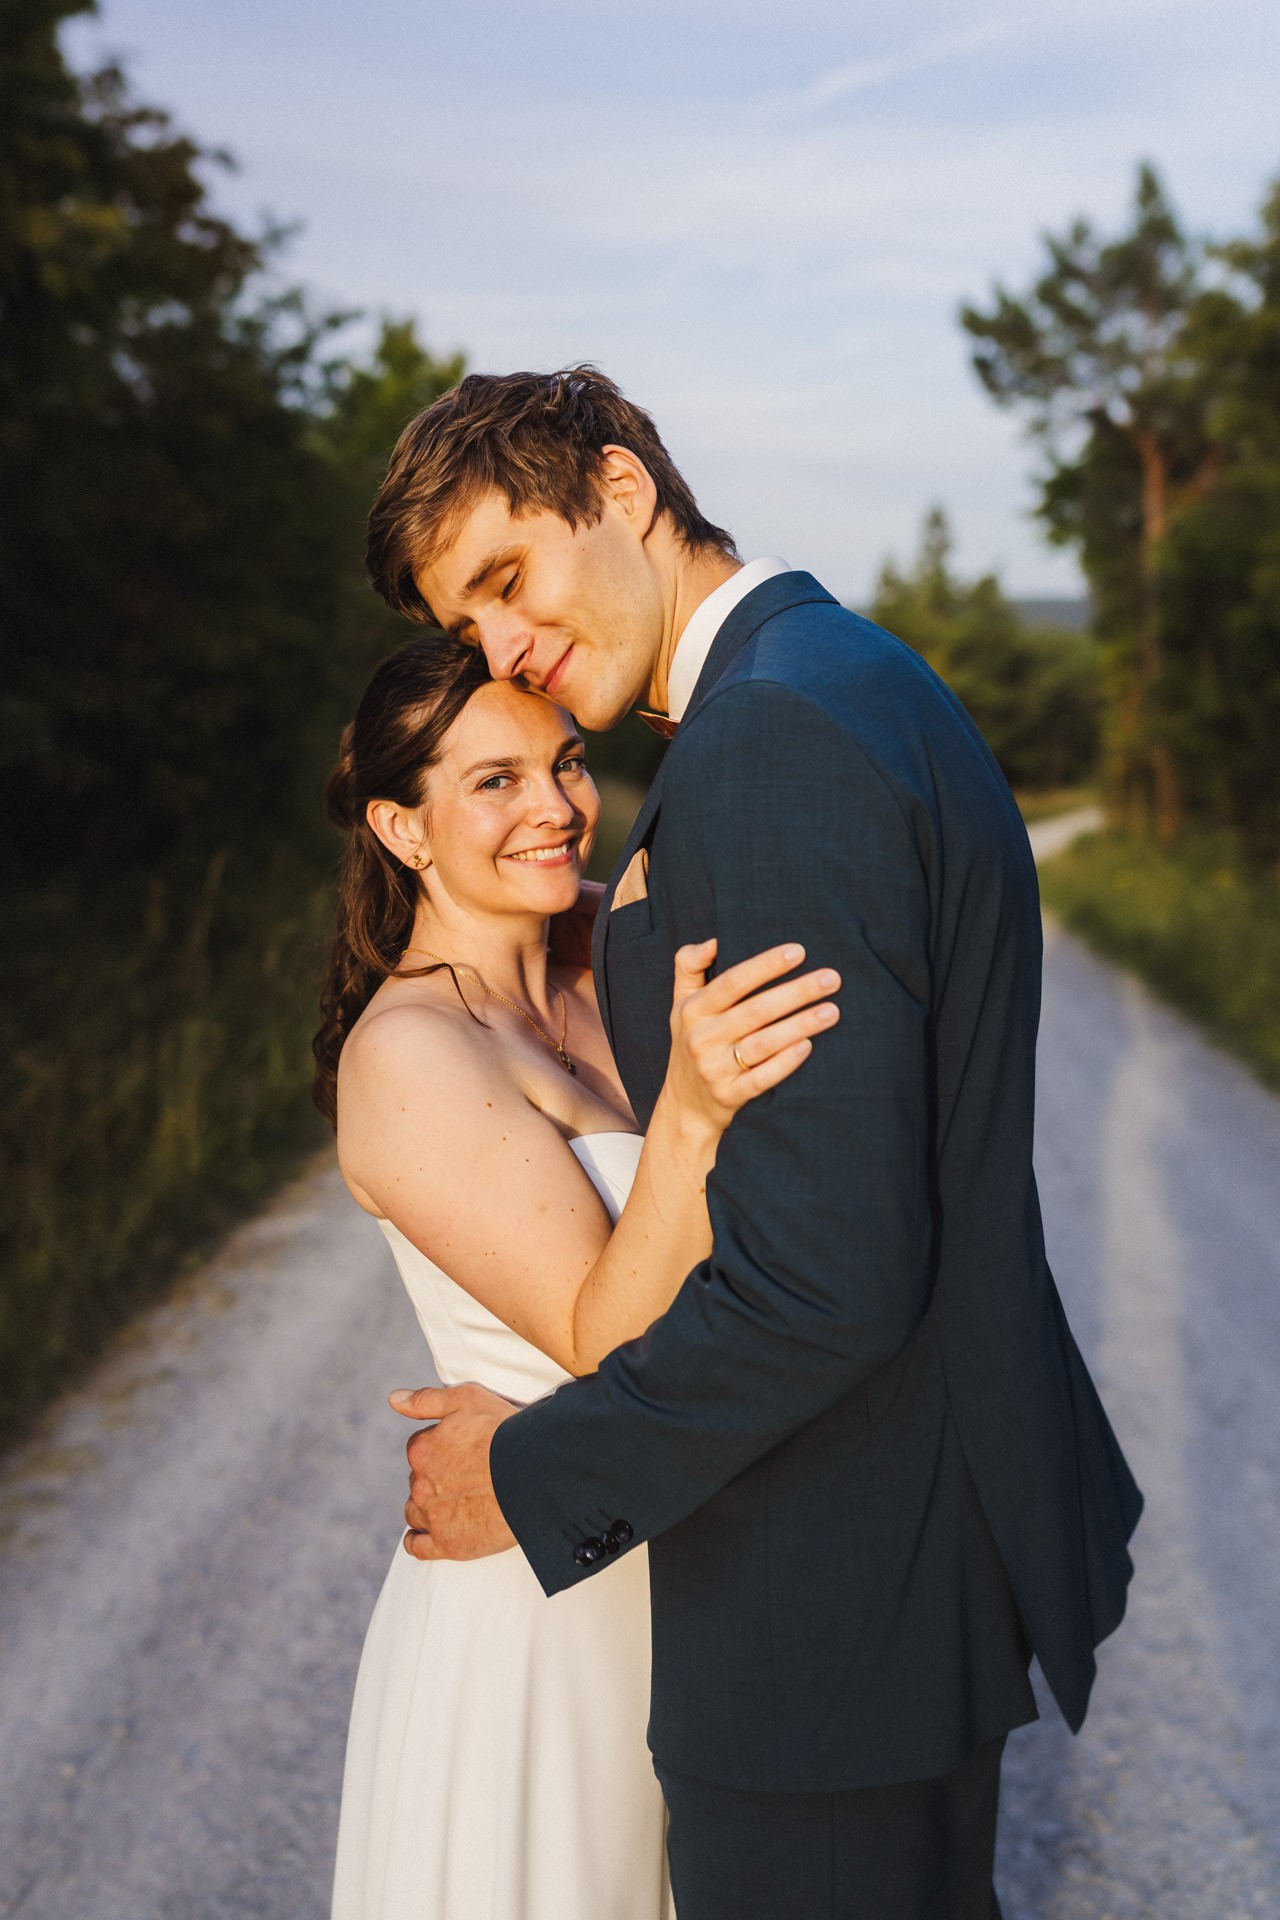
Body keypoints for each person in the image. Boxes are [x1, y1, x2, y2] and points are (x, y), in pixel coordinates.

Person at [362, 367, 1144, 1920]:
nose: (507, 649)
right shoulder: (852, 676)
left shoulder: (768, 744)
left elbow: (825, 1278)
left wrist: (528, 1474)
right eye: (472, 629)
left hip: (825, 1597)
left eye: (509, 580)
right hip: (884, 1574)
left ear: (625, 489)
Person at [315, 638, 842, 1919]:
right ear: (402, 825)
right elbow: (606, 1337)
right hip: (541, 1616)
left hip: (701, 1570)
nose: (553, 806)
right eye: (491, 782)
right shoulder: (409, 1053)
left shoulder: (612, 938)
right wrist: (690, 1117)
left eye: (562, 762)